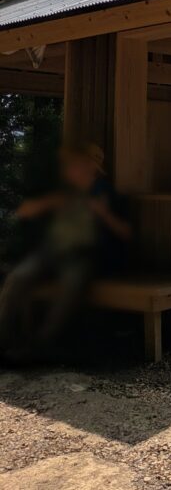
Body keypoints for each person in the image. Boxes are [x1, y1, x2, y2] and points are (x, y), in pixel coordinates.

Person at [0, 142, 132, 359]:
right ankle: (3, 338)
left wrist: (102, 213)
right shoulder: (65, 191)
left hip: (82, 255)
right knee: (18, 276)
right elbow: (26, 212)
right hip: (51, 252)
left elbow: (125, 232)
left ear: (91, 167)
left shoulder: (104, 191)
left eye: (77, 164)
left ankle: (40, 346)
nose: (71, 169)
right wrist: (43, 206)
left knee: (71, 283)